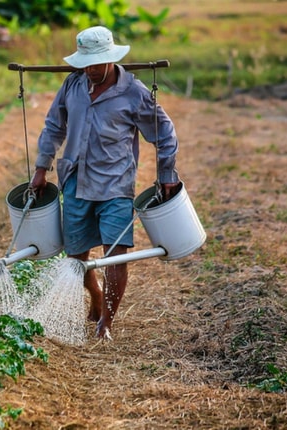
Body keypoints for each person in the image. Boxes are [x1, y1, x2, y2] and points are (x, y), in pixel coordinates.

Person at [30, 26, 181, 340]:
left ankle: (105, 324)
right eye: (86, 63)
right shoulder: (72, 85)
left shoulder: (134, 93)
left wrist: (167, 175)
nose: (91, 69)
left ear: (111, 59)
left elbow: (165, 134)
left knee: (116, 254)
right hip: (75, 182)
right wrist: (41, 168)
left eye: (97, 63)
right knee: (76, 258)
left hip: (116, 186)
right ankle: (95, 296)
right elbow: (53, 127)